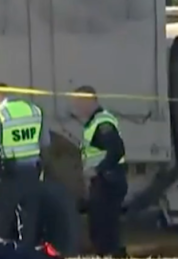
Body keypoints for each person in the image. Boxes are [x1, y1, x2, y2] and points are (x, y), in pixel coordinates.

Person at [0, 83, 48, 246]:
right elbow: (45, 142)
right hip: (32, 173)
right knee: (29, 221)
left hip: (9, 175)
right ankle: (27, 253)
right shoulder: (35, 111)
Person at [71, 86, 127, 257]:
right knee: (101, 227)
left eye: (79, 103)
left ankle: (113, 255)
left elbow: (116, 150)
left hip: (108, 181)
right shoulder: (94, 122)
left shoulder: (102, 123)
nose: (77, 108)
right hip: (104, 181)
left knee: (104, 227)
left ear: (89, 100)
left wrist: (96, 170)